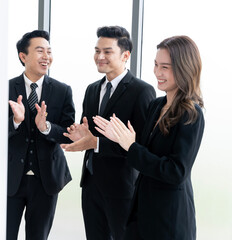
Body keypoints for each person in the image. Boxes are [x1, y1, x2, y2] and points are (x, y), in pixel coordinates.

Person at [93, 35, 204, 240]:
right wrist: (119, 139)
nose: (157, 73)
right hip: (142, 213)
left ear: (184, 68)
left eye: (165, 67)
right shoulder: (156, 105)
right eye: (155, 65)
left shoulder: (191, 113)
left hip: (169, 219)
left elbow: (176, 171)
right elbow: (140, 153)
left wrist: (131, 145)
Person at [61, 26, 156, 240]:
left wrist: (95, 143)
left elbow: (140, 145)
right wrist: (81, 134)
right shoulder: (92, 89)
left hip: (122, 188)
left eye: (107, 51)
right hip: (91, 184)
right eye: (97, 50)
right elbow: (89, 133)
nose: (99, 57)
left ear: (125, 55)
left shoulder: (142, 91)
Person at [7, 30, 75, 240]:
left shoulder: (63, 90)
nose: (46, 57)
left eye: (49, 51)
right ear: (23, 56)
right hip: (11, 179)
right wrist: (15, 121)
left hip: (46, 181)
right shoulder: (6, 87)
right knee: (4, 234)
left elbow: (68, 133)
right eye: (40, 51)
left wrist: (46, 127)